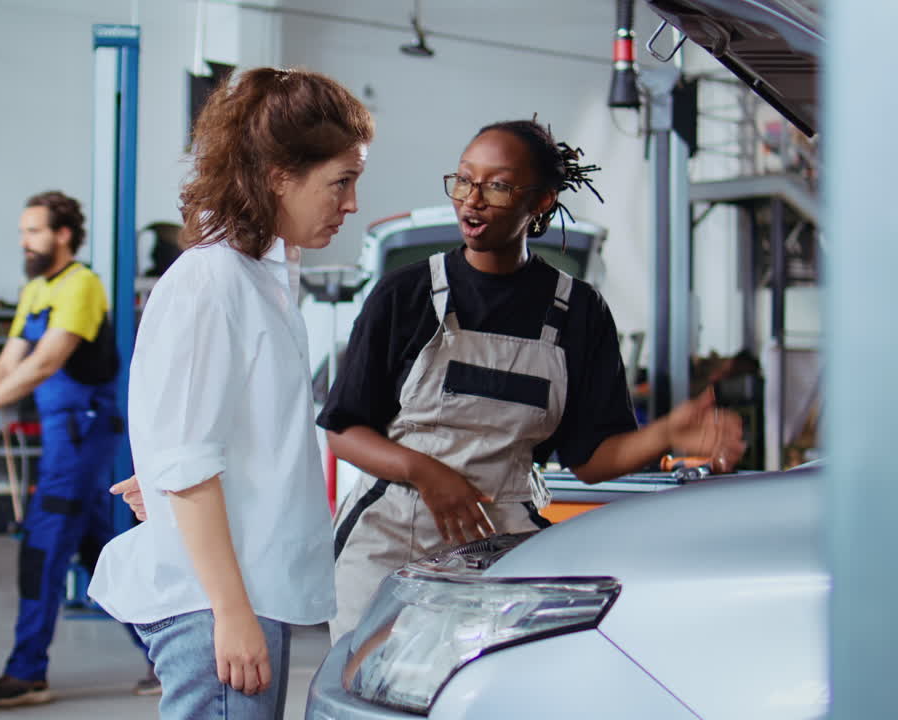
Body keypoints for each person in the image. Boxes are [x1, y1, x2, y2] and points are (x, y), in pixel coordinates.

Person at [319, 119, 747, 640]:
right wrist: (430, 474)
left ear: (541, 201)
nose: (472, 200)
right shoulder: (404, 295)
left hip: (501, 544)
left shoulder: (578, 313)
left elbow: (588, 461)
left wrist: (666, 434)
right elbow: (344, 429)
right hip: (389, 537)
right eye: (463, 180)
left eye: (497, 185)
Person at [88, 67, 373, 719]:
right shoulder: (211, 282)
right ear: (279, 175)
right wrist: (232, 613)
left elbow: (205, 436)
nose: (351, 203)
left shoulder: (257, 277)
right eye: (342, 181)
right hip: (214, 602)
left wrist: (163, 476)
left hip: (240, 588)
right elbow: (189, 465)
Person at [0, 190, 155, 706]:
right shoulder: (37, 290)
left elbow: (44, 363)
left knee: (43, 548)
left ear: (62, 234)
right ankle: (168, 656)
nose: (23, 242)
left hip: (81, 434)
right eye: (21, 233)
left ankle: (28, 671)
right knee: (97, 554)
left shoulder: (81, 285)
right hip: (64, 438)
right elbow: (9, 362)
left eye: (33, 231)